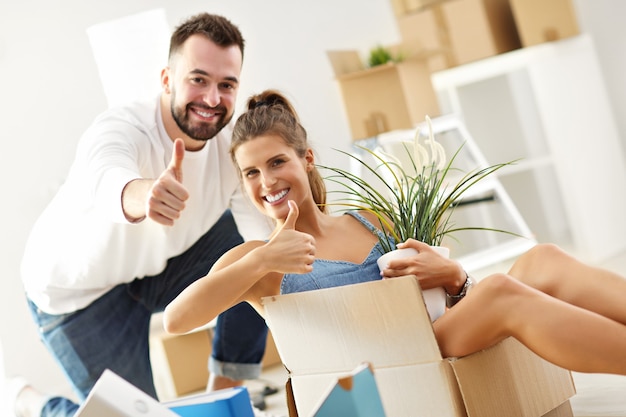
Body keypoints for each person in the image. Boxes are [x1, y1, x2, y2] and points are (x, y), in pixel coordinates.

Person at [164, 89, 626, 377]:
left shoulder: (370, 219)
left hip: (435, 338)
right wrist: (264, 259)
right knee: (503, 289)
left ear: (306, 160)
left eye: (277, 162)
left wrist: (453, 275)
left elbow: (442, 304)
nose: (266, 182)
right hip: (393, 370)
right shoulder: (256, 261)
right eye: (251, 173)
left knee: (541, 259)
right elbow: (177, 320)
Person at [15, 13, 274, 417]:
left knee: (257, 254)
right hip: (79, 296)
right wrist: (143, 196)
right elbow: (106, 177)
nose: (211, 99)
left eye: (226, 85)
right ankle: (32, 403)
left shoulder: (230, 148)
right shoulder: (121, 127)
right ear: (167, 80)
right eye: (198, 79)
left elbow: (261, 243)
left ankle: (224, 389)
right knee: (129, 415)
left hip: (158, 270)